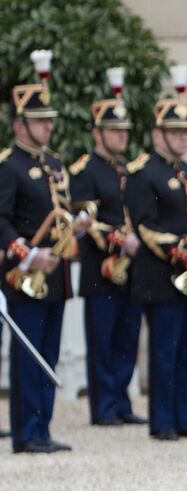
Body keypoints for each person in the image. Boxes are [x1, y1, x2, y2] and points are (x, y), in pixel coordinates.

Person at [1, 50, 92, 453]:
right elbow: (1, 220)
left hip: (55, 271)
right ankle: (26, 433)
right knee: (28, 354)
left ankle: (42, 426)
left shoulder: (54, 164)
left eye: (49, 119)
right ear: (19, 125)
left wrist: (78, 224)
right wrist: (25, 254)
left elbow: (61, 211)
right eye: (40, 120)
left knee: (49, 351)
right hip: (26, 271)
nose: (49, 126)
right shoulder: (8, 166)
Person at [126, 69, 187, 442]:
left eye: (185, 132)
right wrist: (181, 251)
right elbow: (145, 226)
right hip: (161, 275)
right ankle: (162, 421)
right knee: (165, 351)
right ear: (157, 134)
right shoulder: (143, 173)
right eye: (175, 132)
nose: (182, 137)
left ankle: (185, 417)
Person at [70, 66, 146, 426]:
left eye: (124, 130)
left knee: (128, 339)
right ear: (97, 132)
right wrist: (120, 241)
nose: (122, 136)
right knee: (102, 340)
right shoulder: (85, 171)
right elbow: (88, 220)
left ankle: (121, 402)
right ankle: (103, 406)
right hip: (102, 268)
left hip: (131, 269)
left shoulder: (129, 170)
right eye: (115, 130)